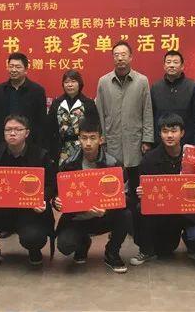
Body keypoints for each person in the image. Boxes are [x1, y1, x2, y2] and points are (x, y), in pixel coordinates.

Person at [130, 113, 195, 266]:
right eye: (165, 131)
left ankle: (191, 242)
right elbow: (140, 191)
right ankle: (146, 249)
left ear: (182, 133)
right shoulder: (149, 159)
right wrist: (141, 193)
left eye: (174, 131)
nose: (169, 135)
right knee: (163, 247)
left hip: (188, 212)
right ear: (159, 134)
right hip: (162, 215)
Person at [0, 115, 56, 271]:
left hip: (29, 211)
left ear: (27, 133)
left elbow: (50, 185)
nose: (12, 133)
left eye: (18, 129)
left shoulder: (40, 155)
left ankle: (34, 250)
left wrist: (43, 199)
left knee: (34, 237)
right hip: (1, 209)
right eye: (8, 130)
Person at [53, 116, 131, 273]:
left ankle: (112, 252)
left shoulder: (114, 165)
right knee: (65, 246)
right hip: (77, 219)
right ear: (79, 139)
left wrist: (107, 209)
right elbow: (57, 195)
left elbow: (127, 197)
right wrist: (57, 202)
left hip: (104, 217)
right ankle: (83, 243)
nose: (88, 143)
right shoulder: (68, 165)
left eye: (93, 138)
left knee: (127, 215)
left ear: (101, 139)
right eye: (84, 138)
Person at [96, 41, 153, 194]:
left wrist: (147, 139)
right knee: (112, 189)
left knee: (135, 189)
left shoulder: (142, 81)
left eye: (123, 54)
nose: (120, 58)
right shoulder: (103, 82)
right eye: (116, 55)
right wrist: (101, 139)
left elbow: (147, 111)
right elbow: (100, 112)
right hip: (112, 142)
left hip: (135, 142)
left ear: (130, 57)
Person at [0, 52, 47, 149]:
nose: (14, 70)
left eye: (18, 67)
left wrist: (40, 147)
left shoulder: (37, 91)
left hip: (29, 145)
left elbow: (41, 121)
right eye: (11, 66)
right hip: (2, 143)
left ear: (26, 69)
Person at [151, 50, 195, 146]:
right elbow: (151, 117)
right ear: (164, 66)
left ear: (182, 66)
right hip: (160, 144)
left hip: (187, 143)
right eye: (168, 62)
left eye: (175, 62)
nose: (171, 65)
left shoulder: (193, 87)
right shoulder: (155, 87)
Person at [46, 70, 99, 165]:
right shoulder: (57, 103)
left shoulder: (88, 103)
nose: (70, 85)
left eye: (73, 81)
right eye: (66, 82)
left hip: (83, 146)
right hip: (60, 147)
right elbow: (50, 128)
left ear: (79, 84)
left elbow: (94, 127)